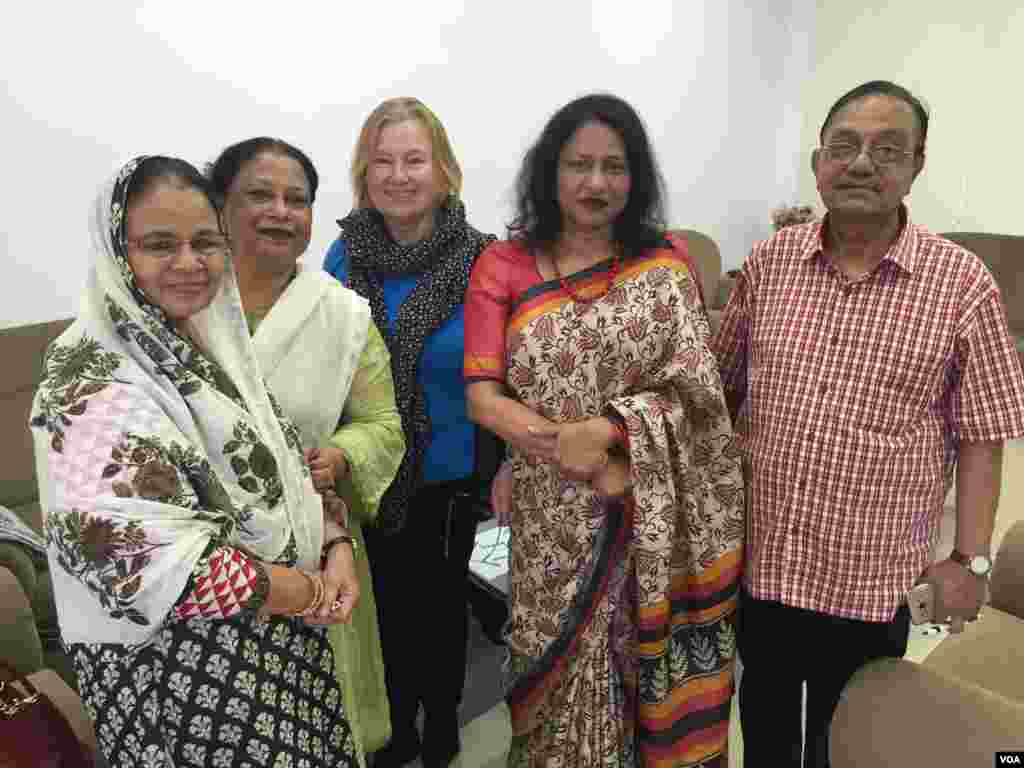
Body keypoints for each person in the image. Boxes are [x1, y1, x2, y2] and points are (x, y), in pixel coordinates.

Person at [712, 80, 1024, 767]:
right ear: (819, 159)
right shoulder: (769, 264)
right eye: (845, 145)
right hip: (766, 556)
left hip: (870, 573)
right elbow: (722, 390)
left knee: (846, 731)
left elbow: (981, 438)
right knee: (762, 713)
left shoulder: (961, 283)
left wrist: (969, 560)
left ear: (916, 166)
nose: (861, 164)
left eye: (887, 149)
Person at [30, 156, 361, 768]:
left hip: (275, 644)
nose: (189, 263)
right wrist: (304, 588)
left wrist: (336, 542)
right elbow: (131, 557)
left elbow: (282, 467)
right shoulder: (89, 375)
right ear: (117, 253)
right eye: (160, 244)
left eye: (205, 242)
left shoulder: (207, 348)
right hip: (181, 676)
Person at [464, 93, 744, 768]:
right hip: (550, 513)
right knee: (550, 668)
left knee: (640, 669)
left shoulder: (667, 261)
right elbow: (481, 394)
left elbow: (700, 396)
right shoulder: (504, 263)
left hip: (656, 511)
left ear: (636, 176)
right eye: (578, 165)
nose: (596, 183)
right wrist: (566, 448)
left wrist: (612, 432)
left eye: (614, 167)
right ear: (550, 173)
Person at [209, 137, 406, 764]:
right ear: (219, 206)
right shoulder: (185, 302)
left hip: (318, 547)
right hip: (206, 554)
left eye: (297, 199)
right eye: (259, 195)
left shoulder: (343, 315)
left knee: (321, 726)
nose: (280, 211)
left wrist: (343, 454)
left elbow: (382, 421)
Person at [323, 97, 498, 768]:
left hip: (452, 468)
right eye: (383, 161)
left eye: (414, 160)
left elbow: (505, 367)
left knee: (441, 611)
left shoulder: (484, 259)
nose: (399, 175)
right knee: (384, 612)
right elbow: (327, 357)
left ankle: (444, 723)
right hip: (370, 469)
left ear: (444, 170)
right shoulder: (344, 256)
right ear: (365, 174)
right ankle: (395, 730)